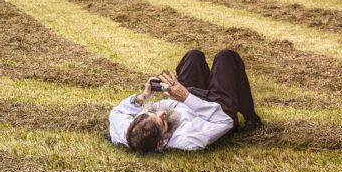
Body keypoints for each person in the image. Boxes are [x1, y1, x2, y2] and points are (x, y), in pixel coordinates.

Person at [109, 49, 263, 152]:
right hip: (216, 110)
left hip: (183, 97)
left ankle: (188, 90)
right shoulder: (188, 138)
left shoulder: (128, 133)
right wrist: (185, 97)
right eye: (163, 121)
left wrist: (143, 97)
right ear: (160, 142)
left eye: (152, 113)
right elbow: (224, 121)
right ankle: (251, 119)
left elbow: (116, 112)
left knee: (193, 56)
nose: (162, 113)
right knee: (226, 57)